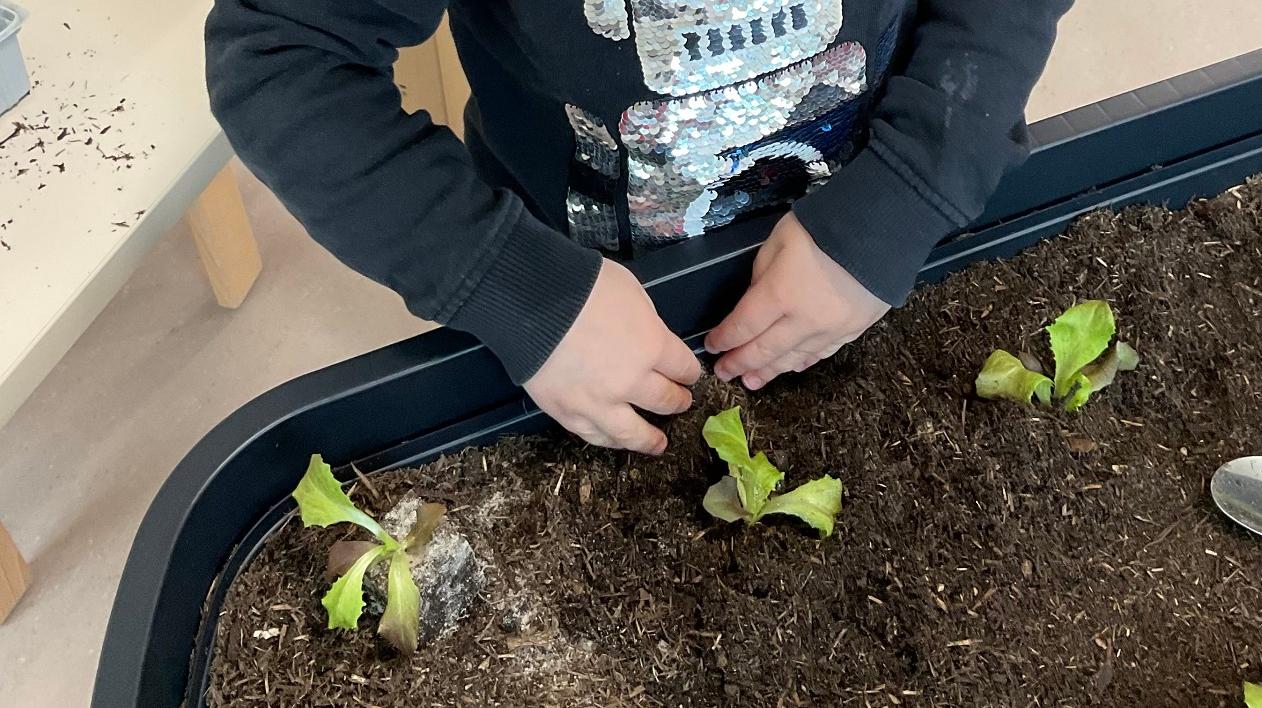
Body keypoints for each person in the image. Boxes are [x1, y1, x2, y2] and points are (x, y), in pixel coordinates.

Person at [206, 0, 1072, 455]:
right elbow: (284, 60)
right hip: (582, 304)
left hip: (869, 251)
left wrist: (906, 195)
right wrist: (511, 283)